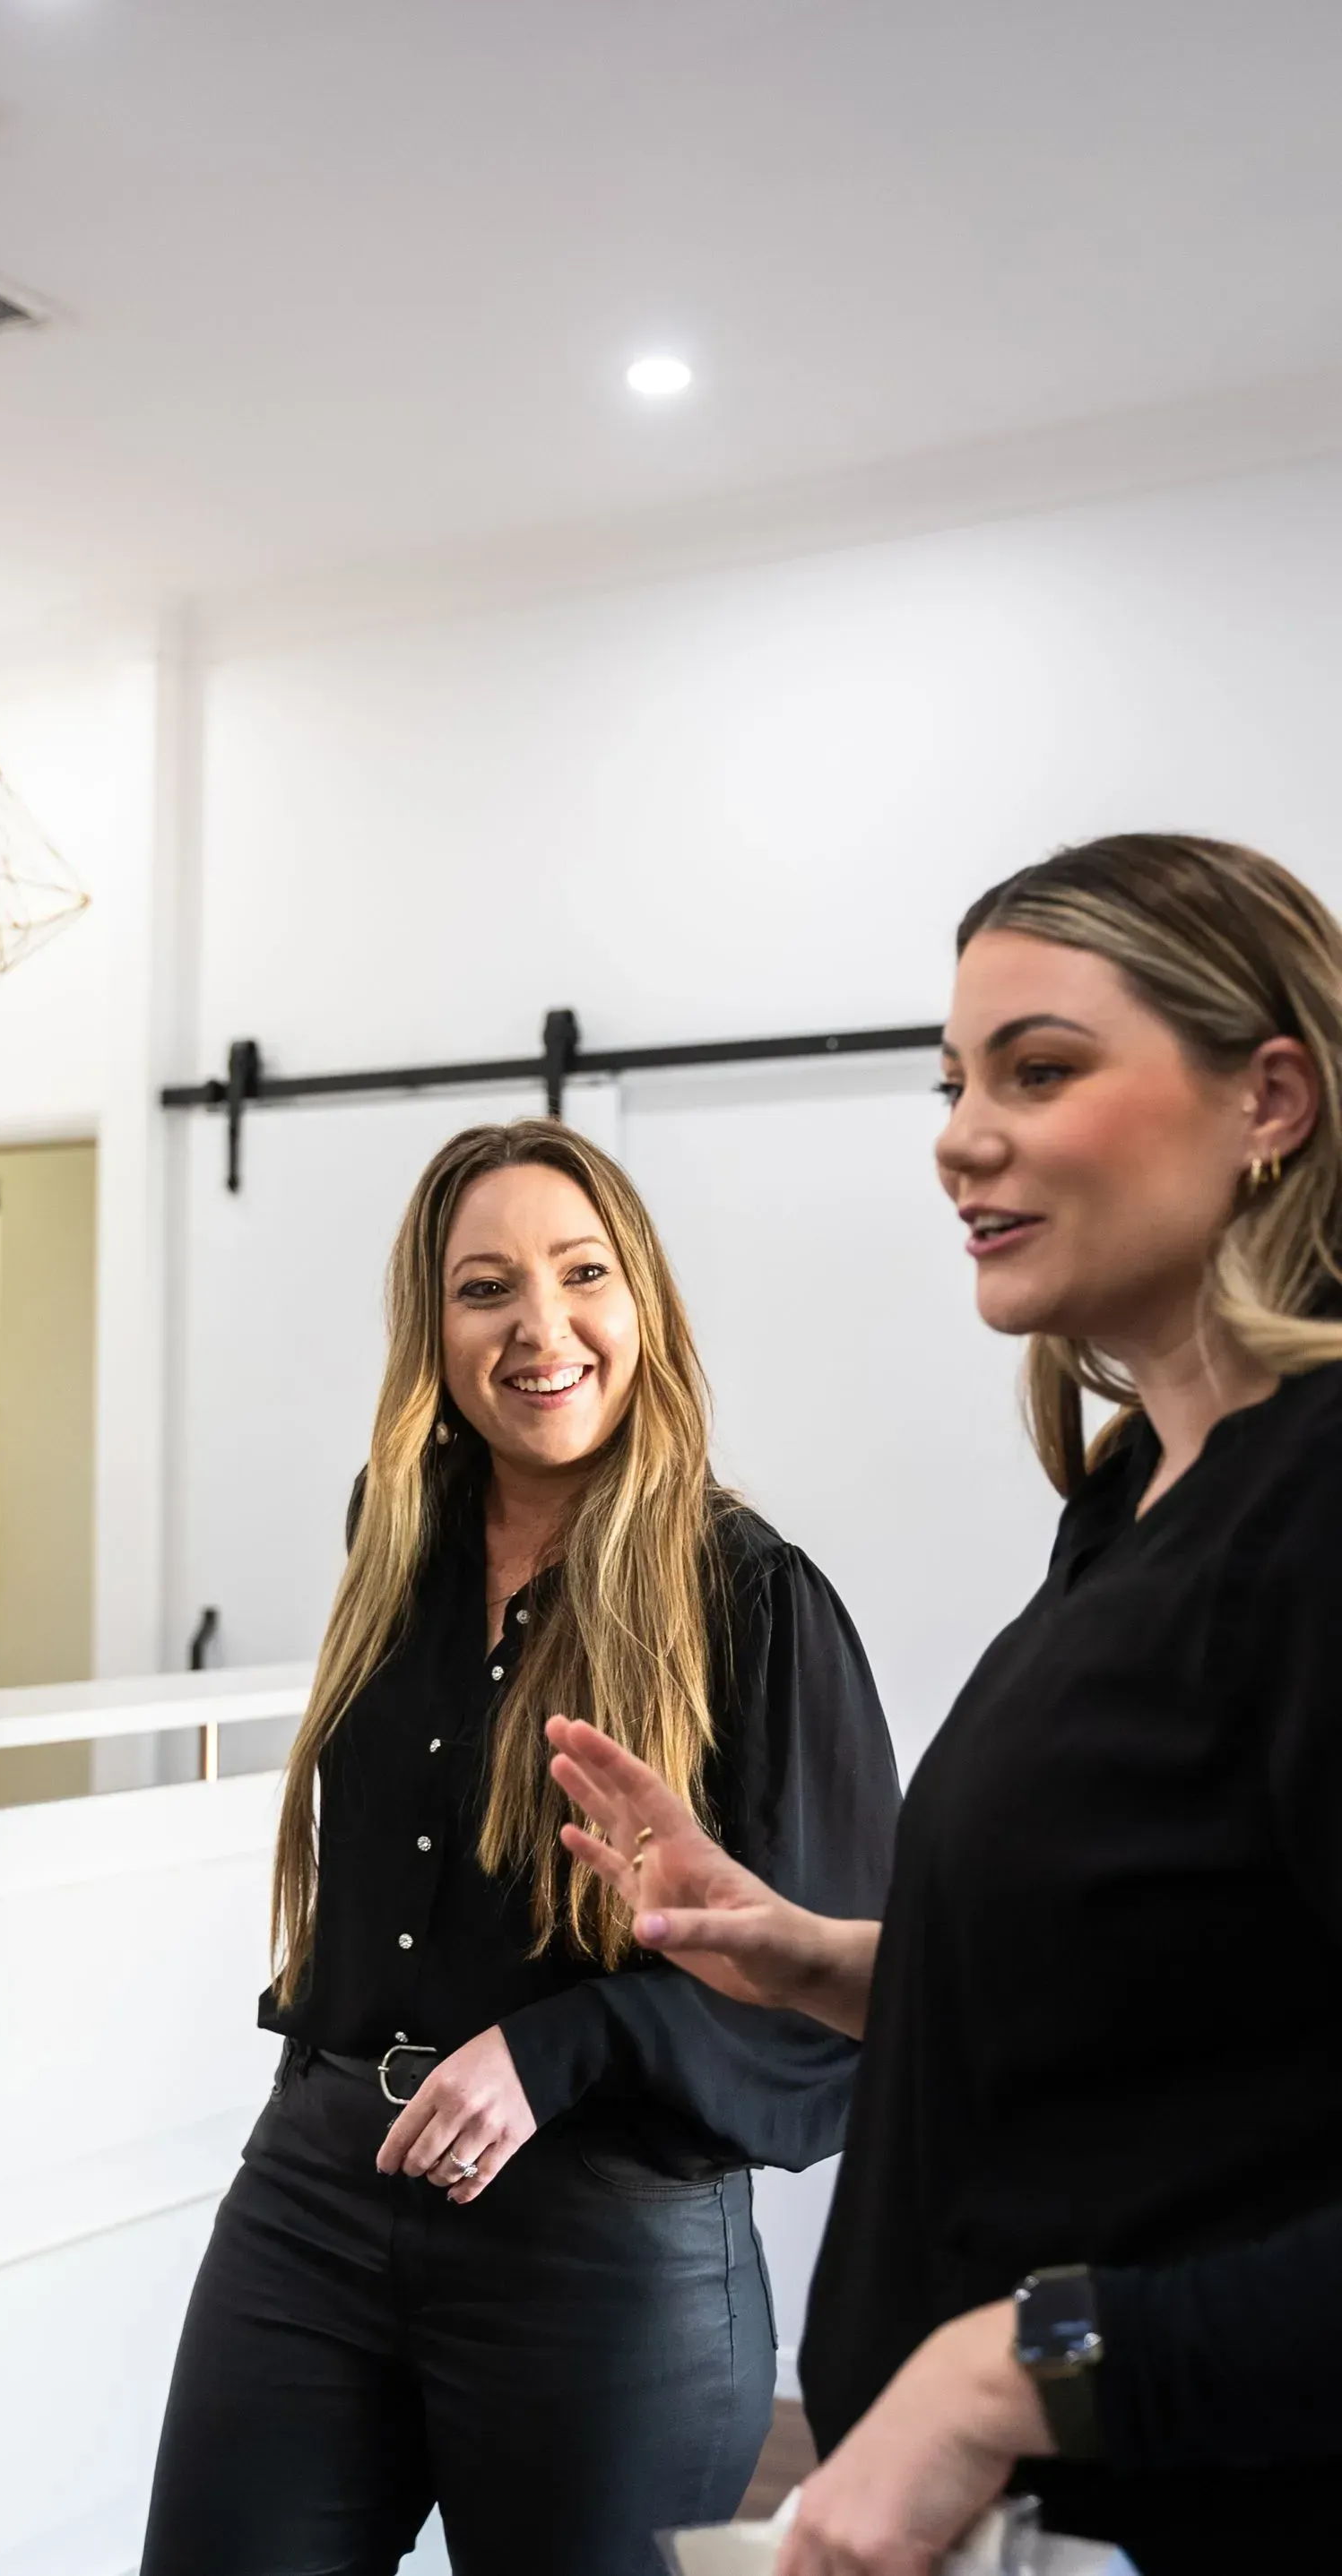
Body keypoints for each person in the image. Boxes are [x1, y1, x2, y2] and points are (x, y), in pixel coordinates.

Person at [549, 833, 1342, 2576]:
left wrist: (1013, 2376)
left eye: (1041, 1071)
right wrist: (809, 1955)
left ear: (1269, 1096)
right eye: (952, 1079)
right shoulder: (1133, 1499)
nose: (960, 1135)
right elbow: (1185, 1997)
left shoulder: (1315, 1510)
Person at [139, 1119, 900, 2576]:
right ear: (435, 1328)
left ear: (644, 1305)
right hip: (316, 2189)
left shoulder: (753, 1596)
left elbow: (838, 2003)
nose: (540, 1327)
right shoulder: (389, 1539)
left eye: (581, 1273)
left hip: (600, 2249)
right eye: (486, 1287)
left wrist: (558, 2047)